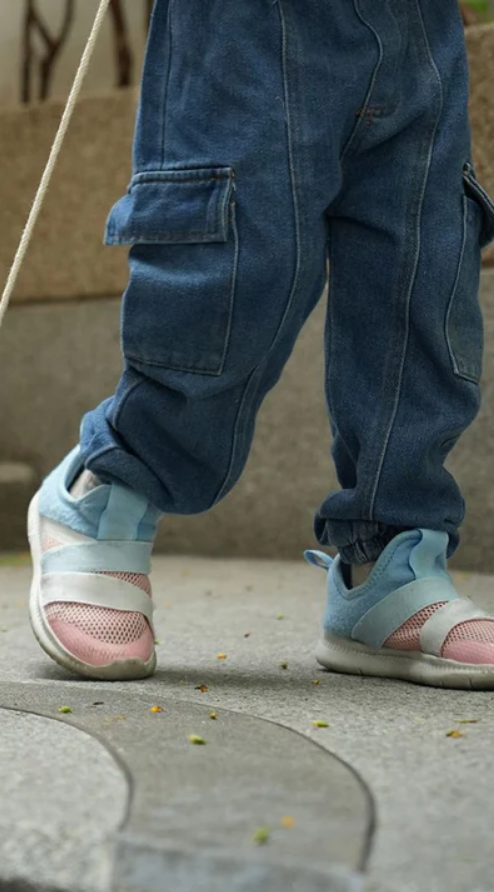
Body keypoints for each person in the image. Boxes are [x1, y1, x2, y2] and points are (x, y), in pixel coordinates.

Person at [27, 0, 494, 688]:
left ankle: (389, 554)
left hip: (416, 23)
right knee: (238, 259)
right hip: (241, 20)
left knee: (421, 273)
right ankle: (106, 489)